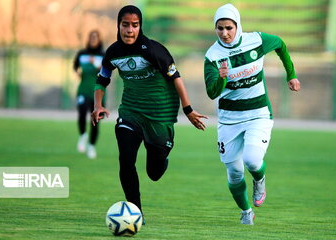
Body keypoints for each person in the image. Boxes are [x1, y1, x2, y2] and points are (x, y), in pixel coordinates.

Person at [91, 5, 207, 219]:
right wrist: (98, 105)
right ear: (118, 25)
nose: (129, 30)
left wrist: (188, 109)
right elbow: (102, 80)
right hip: (131, 111)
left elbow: (176, 78)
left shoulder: (153, 50)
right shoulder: (113, 52)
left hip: (159, 115)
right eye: (125, 25)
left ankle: (162, 158)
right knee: (126, 160)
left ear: (140, 26)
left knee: (154, 173)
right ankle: (135, 212)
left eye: (135, 25)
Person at [204, 4, 300, 225]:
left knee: (252, 160)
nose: (225, 33)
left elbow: (281, 44)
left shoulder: (256, 40)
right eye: (219, 28)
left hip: (258, 114)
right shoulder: (212, 55)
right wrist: (221, 78)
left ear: (237, 25)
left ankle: (260, 179)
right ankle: (246, 212)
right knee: (234, 173)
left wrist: (291, 75)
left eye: (229, 27)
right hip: (229, 120)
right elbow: (212, 93)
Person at [74, 30, 105, 159]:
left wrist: (95, 63)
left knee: (95, 121)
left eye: (95, 37)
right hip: (83, 89)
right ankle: (83, 135)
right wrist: (78, 72)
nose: (93, 39)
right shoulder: (82, 54)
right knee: (81, 112)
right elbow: (75, 66)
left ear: (99, 39)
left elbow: (105, 70)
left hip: (99, 93)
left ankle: (91, 146)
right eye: (91, 37)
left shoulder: (103, 55)